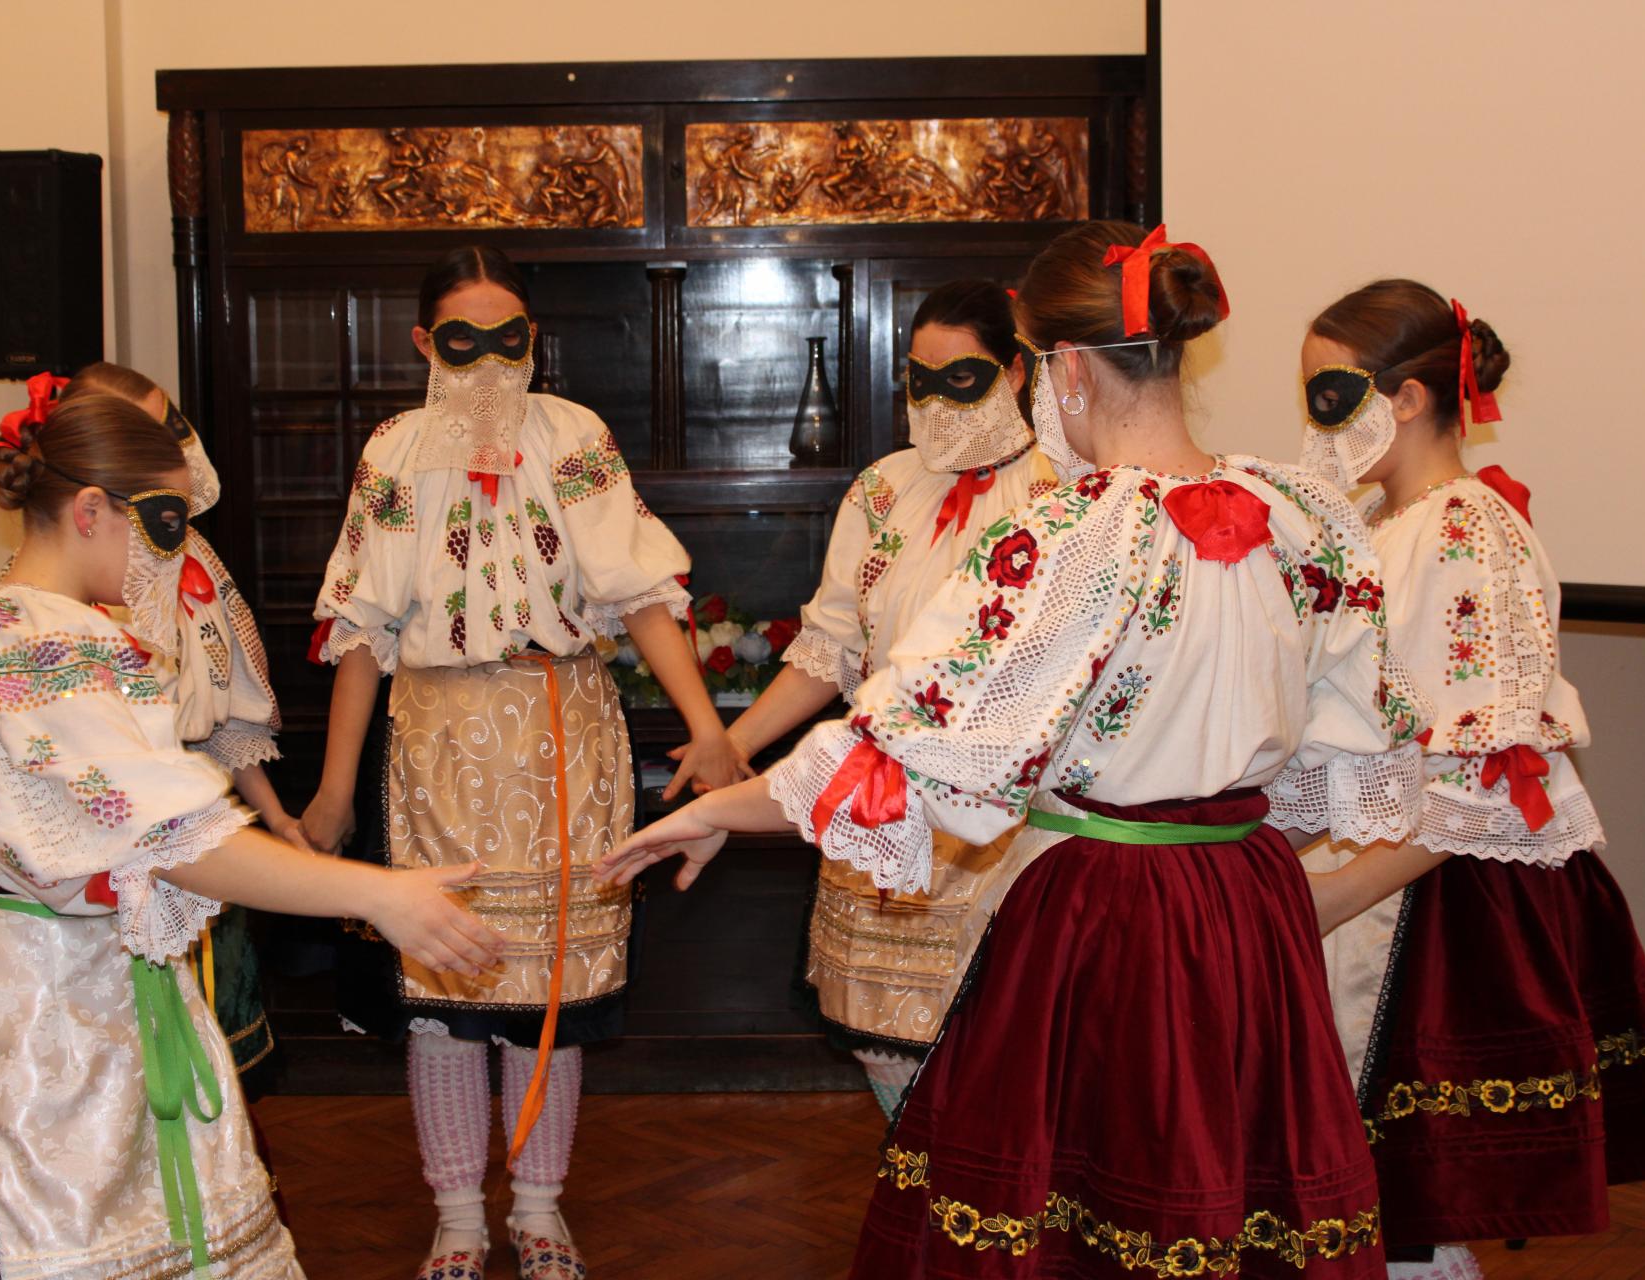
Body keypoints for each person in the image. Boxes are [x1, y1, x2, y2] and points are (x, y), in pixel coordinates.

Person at [598, 222, 1423, 1279]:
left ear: (1065, 369)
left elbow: (905, 749)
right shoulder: (1307, 515)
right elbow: (1356, 751)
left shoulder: (1069, 537)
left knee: (1074, 1209)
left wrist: (717, 806)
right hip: (1250, 900)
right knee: (1234, 1192)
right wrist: (1230, 854)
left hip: (1112, 911)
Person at [0, 387, 500, 1280]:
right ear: (90, 511)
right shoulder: (33, 645)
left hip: (82, 977)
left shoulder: (14, 625)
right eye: (163, 524)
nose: (175, 552)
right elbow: (176, 838)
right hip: (39, 1007)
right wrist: (377, 893)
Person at [299, 245, 745, 1280]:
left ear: (534, 343)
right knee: (445, 998)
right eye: (465, 342)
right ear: (425, 344)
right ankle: (458, 1217)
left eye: (512, 340)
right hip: (439, 740)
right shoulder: (393, 452)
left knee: (554, 989)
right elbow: (361, 630)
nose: (492, 363)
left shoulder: (574, 436)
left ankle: (541, 1213)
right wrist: (331, 790)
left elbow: (640, 592)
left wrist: (709, 727)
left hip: (563, 731)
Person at [1296, 279, 1645, 1278]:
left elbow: (1489, 762)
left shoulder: (1466, 528)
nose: (1318, 424)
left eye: (1331, 396)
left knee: (1399, 1203)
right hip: (1376, 868)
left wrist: (1331, 895)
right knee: (1356, 1202)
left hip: (1427, 899)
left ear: (1409, 397)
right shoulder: (1387, 522)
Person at [708, 279, 1053, 1115]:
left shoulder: (1067, 490)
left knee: (1001, 1040)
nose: (935, 402)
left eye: (961, 378)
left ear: (1015, 372)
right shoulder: (883, 489)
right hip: (882, 804)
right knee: (883, 1039)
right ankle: (923, 1182)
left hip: (1006, 821)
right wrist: (735, 744)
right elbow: (831, 649)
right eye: (918, 381)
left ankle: (981, 1189)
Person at [63, 361, 297, 1089]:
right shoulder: (68, 588)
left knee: (220, 1063)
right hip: (117, 845)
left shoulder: (194, 556)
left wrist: (275, 819)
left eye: (171, 422)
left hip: (203, 820)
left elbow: (225, 714)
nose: (172, 443)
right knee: (137, 1067)